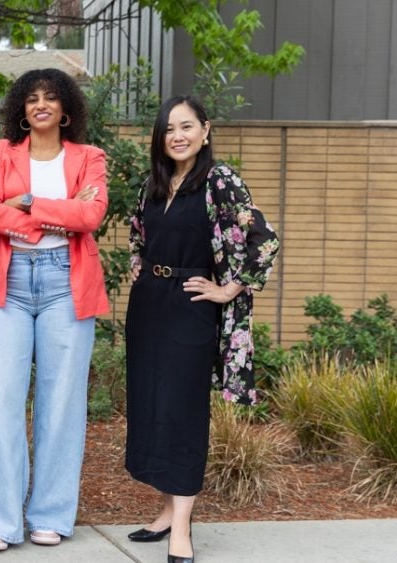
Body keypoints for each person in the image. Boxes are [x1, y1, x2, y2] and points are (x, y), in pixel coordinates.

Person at [124, 95, 280, 563]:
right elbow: (138, 233)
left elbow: (264, 239)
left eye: (186, 126)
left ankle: (183, 531)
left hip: (192, 308)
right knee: (152, 407)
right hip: (148, 307)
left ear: (205, 131)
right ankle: (167, 510)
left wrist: (230, 288)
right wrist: (137, 262)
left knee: (183, 413)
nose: (177, 135)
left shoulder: (220, 181)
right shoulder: (156, 182)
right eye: (169, 128)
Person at [0, 68, 108, 552]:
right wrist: (53, 208)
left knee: (62, 402)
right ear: (21, 110)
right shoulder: (0, 153)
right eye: (31, 98)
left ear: (66, 109)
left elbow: (91, 215)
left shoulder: (89, 157)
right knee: (0, 399)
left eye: (50, 98)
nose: (40, 104)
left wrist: (24, 204)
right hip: (8, 283)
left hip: (66, 282)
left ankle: (50, 514)